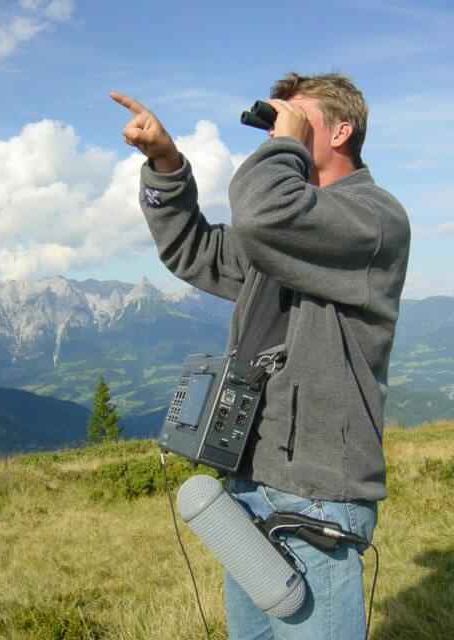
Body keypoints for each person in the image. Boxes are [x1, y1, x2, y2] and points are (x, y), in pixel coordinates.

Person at [111, 72, 410, 640]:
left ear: (341, 131)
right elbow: (194, 249)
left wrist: (284, 144)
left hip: (315, 494)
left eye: (295, 118)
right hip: (249, 481)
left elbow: (264, 213)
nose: (277, 129)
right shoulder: (285, 232)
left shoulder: (372, 218)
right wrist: (167, 164)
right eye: (276, 122)